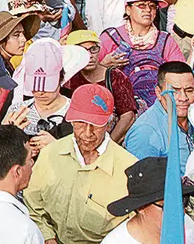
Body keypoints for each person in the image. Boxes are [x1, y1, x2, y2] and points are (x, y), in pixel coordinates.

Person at [24, 84, 137, 244]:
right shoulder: (50, 154)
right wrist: (47, 236)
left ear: (109, 123)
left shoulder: (129, 169)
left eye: (96, 125)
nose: (87, 133)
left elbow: (134, 225)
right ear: (70, 121)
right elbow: (32, 201)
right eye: (80, 123)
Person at [98, 0, 184, 111]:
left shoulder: (165, 40)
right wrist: (104, 65)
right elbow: (90, 73)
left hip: (159, 106)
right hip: (119, 106)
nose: (148, 10)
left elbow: (179, 72)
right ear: (128, 10)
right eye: (142, 5)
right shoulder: (110, 37)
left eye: (152, 6)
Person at [101, 157, 194, 244]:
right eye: (166, 206)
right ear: (141, 207)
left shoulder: (184, 233)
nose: (180, 212)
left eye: (182, 201)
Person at [123, 61, 194, 173]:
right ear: (158, 92)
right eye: (174, 92)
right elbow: (142, 180)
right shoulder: (145, 132)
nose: (183, 98)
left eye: (189, 90)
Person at [64, 30, 137, 143]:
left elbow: (128, 115)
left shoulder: (115, 77)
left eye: (93, 49)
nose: (90, 55)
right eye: (82, 50)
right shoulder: (67, 79)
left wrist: (108, 145)